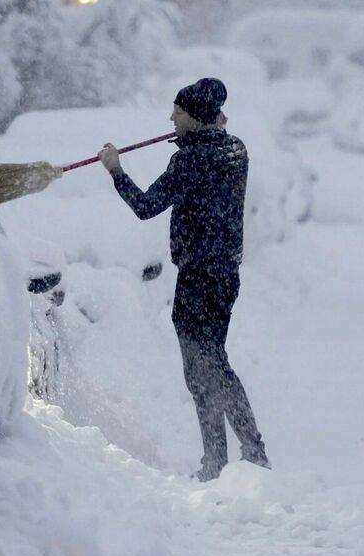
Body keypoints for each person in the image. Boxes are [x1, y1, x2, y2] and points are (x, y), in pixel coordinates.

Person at [99, 77, 269, 481]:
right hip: (225, 274)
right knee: (215, 362)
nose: (170, 117)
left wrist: (115, 169)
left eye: (177, 111)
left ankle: (221, 460)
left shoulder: (192, 160)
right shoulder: (234, 150)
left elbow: (145, 206)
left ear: (193, 115)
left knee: (201, 371)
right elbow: (207, 157)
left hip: (195, 278)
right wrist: (189, 139)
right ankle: (247, 451)